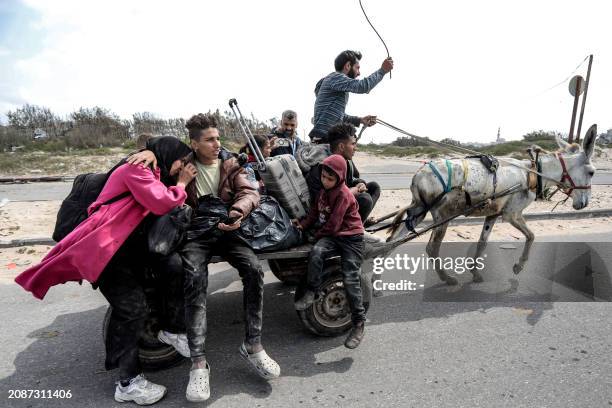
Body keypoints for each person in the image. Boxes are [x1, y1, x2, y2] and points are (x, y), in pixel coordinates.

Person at [15, 137, 197, 406]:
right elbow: (161, 203)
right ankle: (128, 384)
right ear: (170, 154)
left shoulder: (153, 169)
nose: (184, 167)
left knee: (163, 276)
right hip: (105, 250)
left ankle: (169, 332)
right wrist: (181, 183)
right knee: (132, 310)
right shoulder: (137, 168)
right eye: (183, 161)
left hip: (120, 248)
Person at [179, 114, 280, 402]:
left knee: (253, 269)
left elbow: (250, 191)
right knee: (195, 280)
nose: (216, 143)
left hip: (228, 226)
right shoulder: (182, 165)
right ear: (195, 143)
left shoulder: (231, 162)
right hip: (196, 232)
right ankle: (198, 362)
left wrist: (237, 213)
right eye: (209, 139)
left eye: (217, 138)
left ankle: (253, 345)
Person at [293, 154, 367, 349]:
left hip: (351, 238)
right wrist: (302, 225)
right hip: (334, 236)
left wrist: (314, 235)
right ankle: (311, 291)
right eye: (323, 177)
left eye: (330, 179)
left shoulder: (343, 194)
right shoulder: (323, 193)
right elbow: (314, 214)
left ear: (340, 178)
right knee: (316, 253)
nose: (325, 181)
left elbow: (333, 225)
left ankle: (359, 322)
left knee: (350, 277)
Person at [309, 50, 394, 143]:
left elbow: (340, 116)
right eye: (357, 68)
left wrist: (360, 120)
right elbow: (363, 86)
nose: (359, 73)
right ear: (348, 65)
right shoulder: (335, 77)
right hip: (324, 139)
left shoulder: (336, 83)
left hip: (326, 138)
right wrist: (382, 71)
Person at [305, 123, 381, 222]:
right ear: (341, 146)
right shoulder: (323, 166)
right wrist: (350, 193)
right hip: (327, 212)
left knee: (374, 187)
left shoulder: (346, 160)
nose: (355, 148)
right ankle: (349, 230)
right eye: (353, 144)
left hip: (343, 199)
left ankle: (358, 223)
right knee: (365, 199)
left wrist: (359, 183)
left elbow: (353, 178)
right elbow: (321, 201)